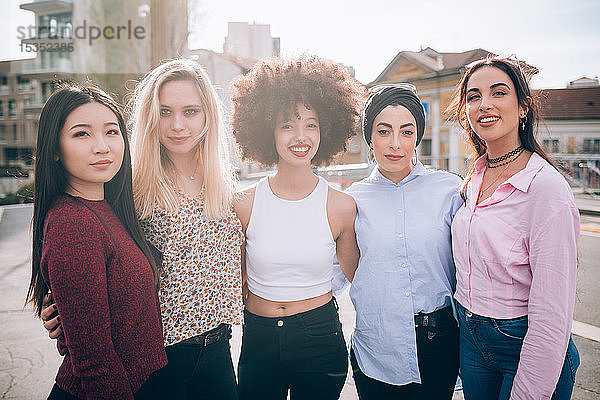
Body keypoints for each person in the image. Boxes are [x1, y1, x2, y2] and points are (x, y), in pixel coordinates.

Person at [41, 59, 244, 399]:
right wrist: (61, 310)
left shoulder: (225, 187)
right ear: (150, 116)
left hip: (219, 347)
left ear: (209, 115)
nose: (177, 125)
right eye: (164, 112)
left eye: (190, 111)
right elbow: (85, 266)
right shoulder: (128, 188)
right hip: (161, 358)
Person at [447, 56, 580, 400]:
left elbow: (552, 314)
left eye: (498, 92)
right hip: (472, 338)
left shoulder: (546, 188)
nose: (484, 104)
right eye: (473, 96)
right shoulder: (473, 177)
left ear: (523, 107)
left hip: (525, 341)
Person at [230, 55, 363, 400]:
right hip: (258, 338)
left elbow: (365, 279)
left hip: (319, 339)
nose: (300, 136)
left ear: (326, 130)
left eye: (311, 124)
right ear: (267, 131)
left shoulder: (341, 206)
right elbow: (233, 279)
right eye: (287, 125)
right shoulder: (243, 204)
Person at [27, 84, 167, 399]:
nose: (102, 146)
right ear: (55, 149)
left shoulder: (108, 210)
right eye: (82, 134)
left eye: (111, 132)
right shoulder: (73, 223)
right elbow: (95, 361)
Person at [343, 85, 462, 399]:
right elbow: (341, 271)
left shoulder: (449, 190)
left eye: (406, 132)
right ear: (370, 137)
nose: (395, 144)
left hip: (438, 343)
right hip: (376, 345)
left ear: (417, 137)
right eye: (384, 131)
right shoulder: (352, 199)